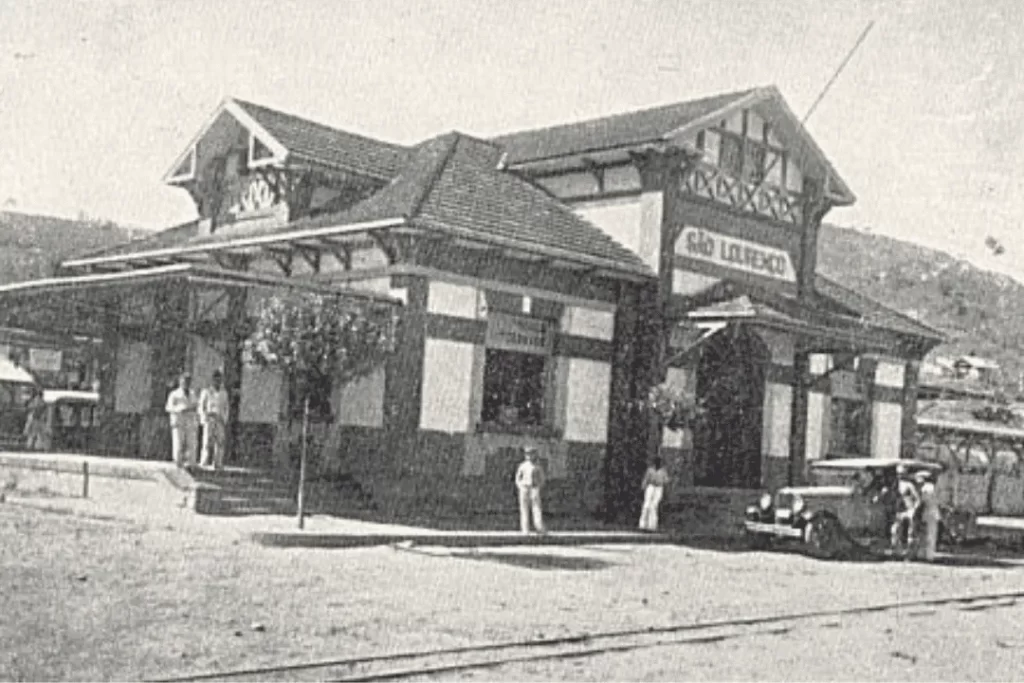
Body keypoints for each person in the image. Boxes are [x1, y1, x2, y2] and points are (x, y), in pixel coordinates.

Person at [165, 373, 199, 470]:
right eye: (184, 381)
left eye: (188, 381)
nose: (186, 383)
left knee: (192, 443)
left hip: (190, 421)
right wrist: (179, 409)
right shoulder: (174, 394)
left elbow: (196, 405)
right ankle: (178, 464)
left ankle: (192, 464)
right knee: (178, 443)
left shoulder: (192, 394)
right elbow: (168, 407)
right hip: (178, 422)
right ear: (180, 382)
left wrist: (192, 409)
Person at [198, 369, 230, 470]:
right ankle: (204, 462)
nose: (218, 381)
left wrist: (224, 419)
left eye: (219, 379)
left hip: (219, 418)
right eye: (216, 379)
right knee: (207, 441)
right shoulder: (206, 391)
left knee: (220, 442)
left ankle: (218, 463)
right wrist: (204, 418)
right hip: (209, 418)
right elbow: (201, 406)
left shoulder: (224, 393)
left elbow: (226, 407)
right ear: (212, 380)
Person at [891, 466, 921, 557]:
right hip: (899, 510)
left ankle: (910, 552)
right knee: (895, 530)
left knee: (911, 532)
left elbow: (917, 499)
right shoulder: (895, 484)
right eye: (898, 474)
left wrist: (914, 509)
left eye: (902, 474)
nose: (900, 476)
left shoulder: (909, 485)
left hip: (909, 510)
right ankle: (897, 551)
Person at [514, 446, 546, 534]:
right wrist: (520, 486)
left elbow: (542, 478)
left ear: (534, 455)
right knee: (524, 509)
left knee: (536, 508)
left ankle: (539, 528)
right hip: (524, 488)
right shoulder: (522, 466)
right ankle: (525, 529)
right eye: (527, 454)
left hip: (534, 488)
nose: (529, 456)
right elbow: (517, 478)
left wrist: (538, 486)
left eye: (531, 454)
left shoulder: (537, 466)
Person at [638, 457, 670, 531]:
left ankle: (652, 525)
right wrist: (643, 487)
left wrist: (665, 490)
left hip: (659, 488)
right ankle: (642, 524)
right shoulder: (650, 470)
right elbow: (646, 479)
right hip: (651, 487)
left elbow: (666, 481)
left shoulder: (663, 471)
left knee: (654, 506)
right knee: (646, 505)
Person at [915, 470, 941, 562]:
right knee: (930, 535)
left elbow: (923, 501)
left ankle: (923, 554)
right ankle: (928, 555)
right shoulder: (933, 487)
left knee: (926, 535)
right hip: (932, 513)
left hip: (927, 512)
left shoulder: (925, 488)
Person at [23, 387, 48, 451]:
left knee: (39, 434)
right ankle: (31, 446)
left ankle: (36, 447)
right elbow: (32, 408)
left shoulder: (39, 401)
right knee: (35, 434)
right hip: (36, 419)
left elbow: (32, 408)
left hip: (38, 419)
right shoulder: (37, 401)